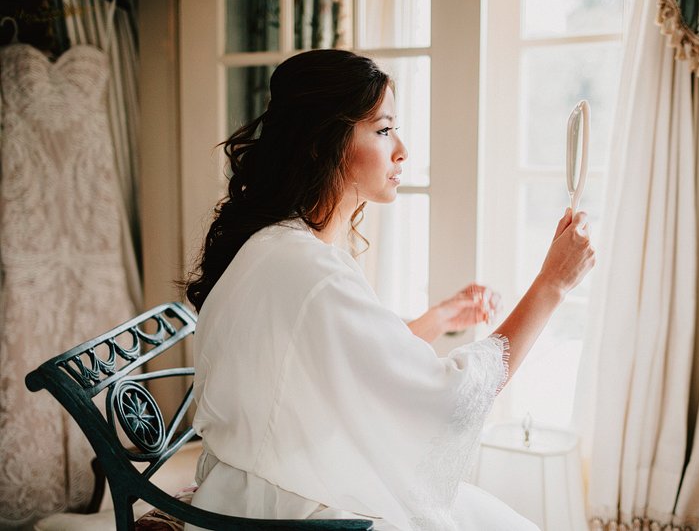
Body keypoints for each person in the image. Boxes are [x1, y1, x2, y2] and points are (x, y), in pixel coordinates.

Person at [184, 49, 594, 531]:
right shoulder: (308, 269)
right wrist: (552, 285)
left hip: (253, 491)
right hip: (289, 514)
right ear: (323, 143)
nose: (402, 149)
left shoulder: (280, 244)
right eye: (382, 130)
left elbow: (349, 356)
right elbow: (450, 399)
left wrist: (437, 319)